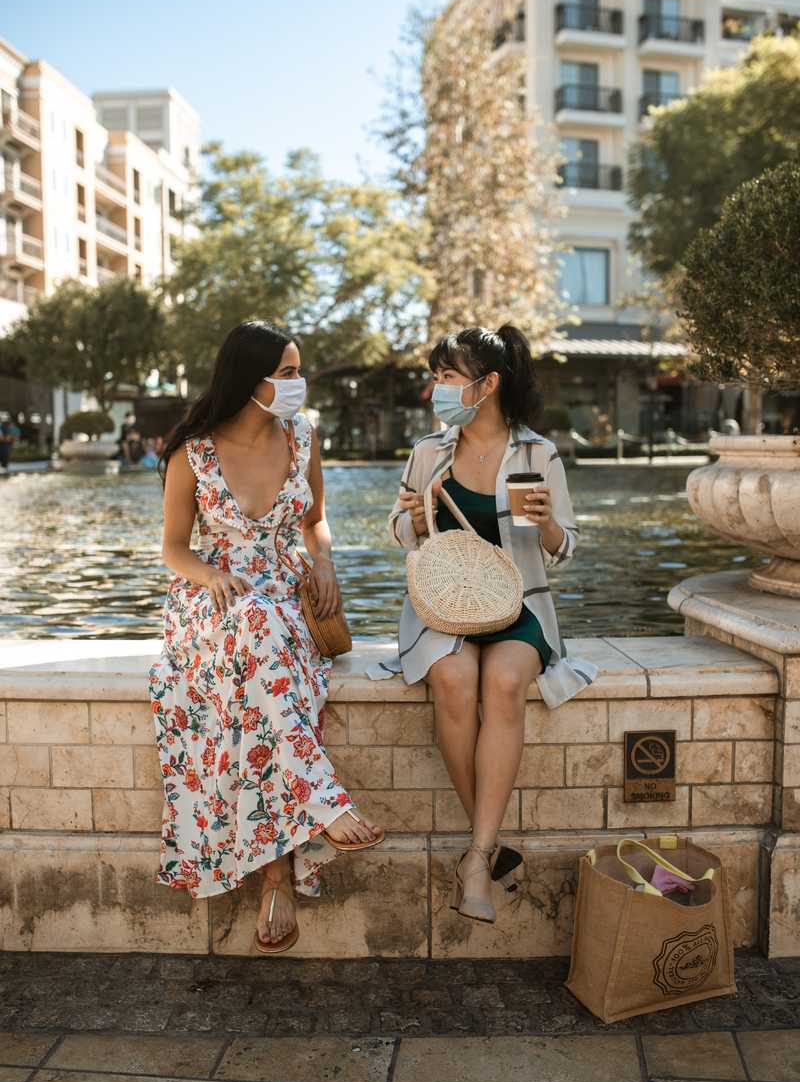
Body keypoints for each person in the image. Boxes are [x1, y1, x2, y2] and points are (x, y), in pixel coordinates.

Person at [149, 320, 383, 955]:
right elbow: (173, 549)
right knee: (253, 628)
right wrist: (212, 574)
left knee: (260, 666)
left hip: (289, 599)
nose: (296, 384)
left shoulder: (303, 437)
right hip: (213, 598)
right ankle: (321, 806)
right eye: (284, 373)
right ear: (247, 379)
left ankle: (276, 876)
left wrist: (326, 564)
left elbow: (316, 519)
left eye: (297, 371)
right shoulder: (191, 451)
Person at [383, 324, 597, 925]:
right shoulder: (429, 450)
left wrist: (548, 523)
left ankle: (475, 857)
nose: (437, 389)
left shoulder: (538, 454)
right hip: (444, 604)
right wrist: (417, 516)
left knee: (504, 683)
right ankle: (486, 850)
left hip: (519, 605)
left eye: (447, 377)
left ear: (489, 382)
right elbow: (400, 535)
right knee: (455, 682)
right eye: (437, 377)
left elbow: (564, 548)